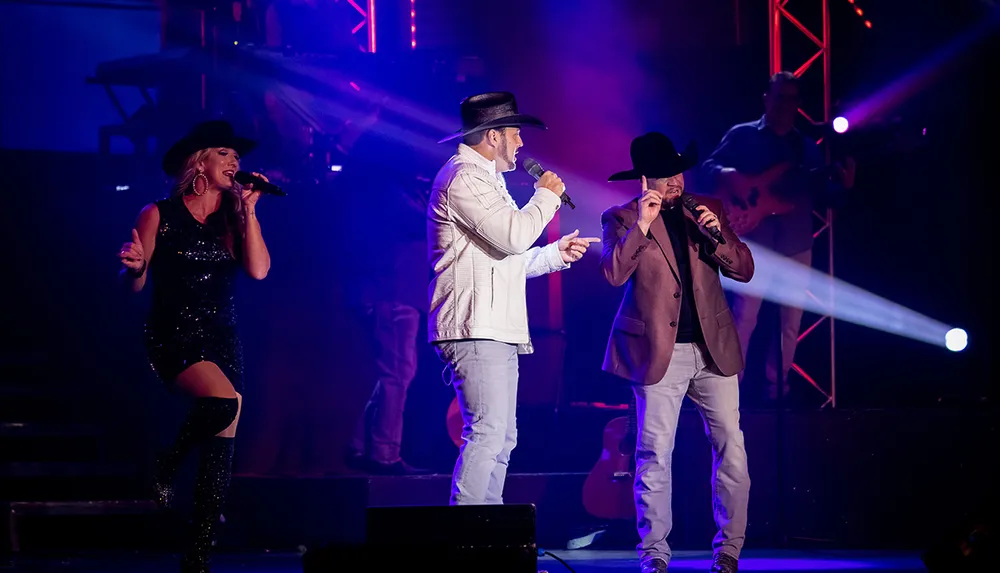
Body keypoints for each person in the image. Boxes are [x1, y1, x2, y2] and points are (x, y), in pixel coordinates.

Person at [427, 91, 599, 505]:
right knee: (486, 433)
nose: (521, 144)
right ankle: (467, 542)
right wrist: (545, 196)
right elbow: (514, 234)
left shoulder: (489, 180)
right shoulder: (463, 177)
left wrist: (554, 255)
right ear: (492, 136)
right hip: (474, 326)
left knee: (502, 438)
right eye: (515, 134)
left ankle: (491, 539)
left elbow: (509, 258)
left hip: (497, 327)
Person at [117, 120, 272, 573]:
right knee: (224, 404)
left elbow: (259, 271)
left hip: (224, 336)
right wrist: (135, 267)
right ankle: (164, 463)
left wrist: (251, 212)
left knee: (222, 447)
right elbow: (136, 283)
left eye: (237, 156)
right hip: (174, 333)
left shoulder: (232, 218)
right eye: (224, 153)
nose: (235, 162)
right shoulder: (159, 213)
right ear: (199, 162)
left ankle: (197, 556)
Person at [599, 132, 755, 573]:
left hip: (713, 349)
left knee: (732, 447)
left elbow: (744, 269)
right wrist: (642, 226)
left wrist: (716, 234)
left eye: (679, 172)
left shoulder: (709, 210)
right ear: (646, 178)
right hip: (658, 353)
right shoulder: (621, 217)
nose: (676, 182)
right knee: (654, 452)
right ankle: (654, 555)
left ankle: (729, 550)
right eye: (667, 175)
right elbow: (612, 272)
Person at [702, 71, 855, 401]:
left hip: (795, 243)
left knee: (791, 322)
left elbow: (824, 197)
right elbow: (708, 167)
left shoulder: (806, 149)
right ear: (766, 98)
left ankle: (777, 386)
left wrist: (843, 187)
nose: (786, 104)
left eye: (792, 99)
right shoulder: (742, 136)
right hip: (752, 244)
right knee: (744, 317)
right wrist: (730, 175)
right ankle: (731, 390)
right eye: (780, 97)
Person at [341, 99, 434, 476]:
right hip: (392, 294)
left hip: (393, 292)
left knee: (392, 374)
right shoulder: (388, 193)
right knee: (397, 373)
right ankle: (383, 454)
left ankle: (361, 445)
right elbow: (425, 225)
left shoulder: (391, 190)